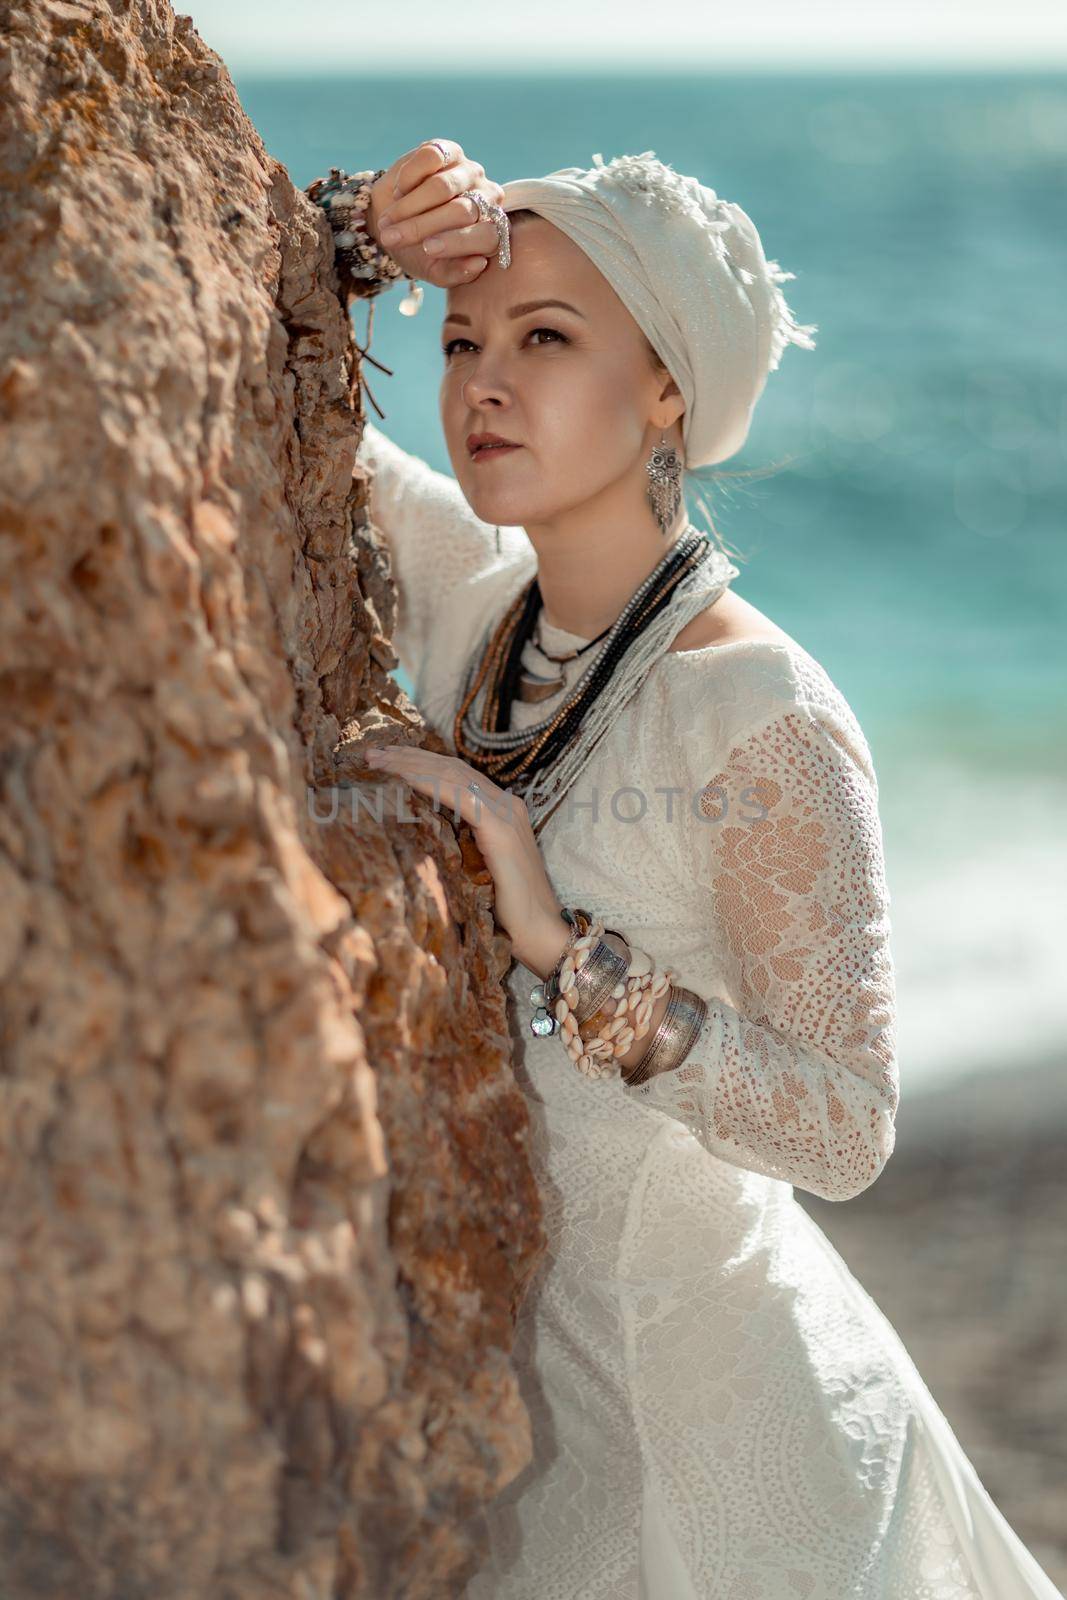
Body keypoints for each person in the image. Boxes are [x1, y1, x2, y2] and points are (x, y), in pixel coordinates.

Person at [307, 140, 1065, 1599]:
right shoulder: (479, 606)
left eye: (546, 338)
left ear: (667, 389)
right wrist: (362, 243)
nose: (482, 383)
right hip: (520, 1413)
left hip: (739, 1443)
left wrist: (564, 947)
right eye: (463, 339)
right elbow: (303, 419)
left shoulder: (767, 714)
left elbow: (848, 1132)